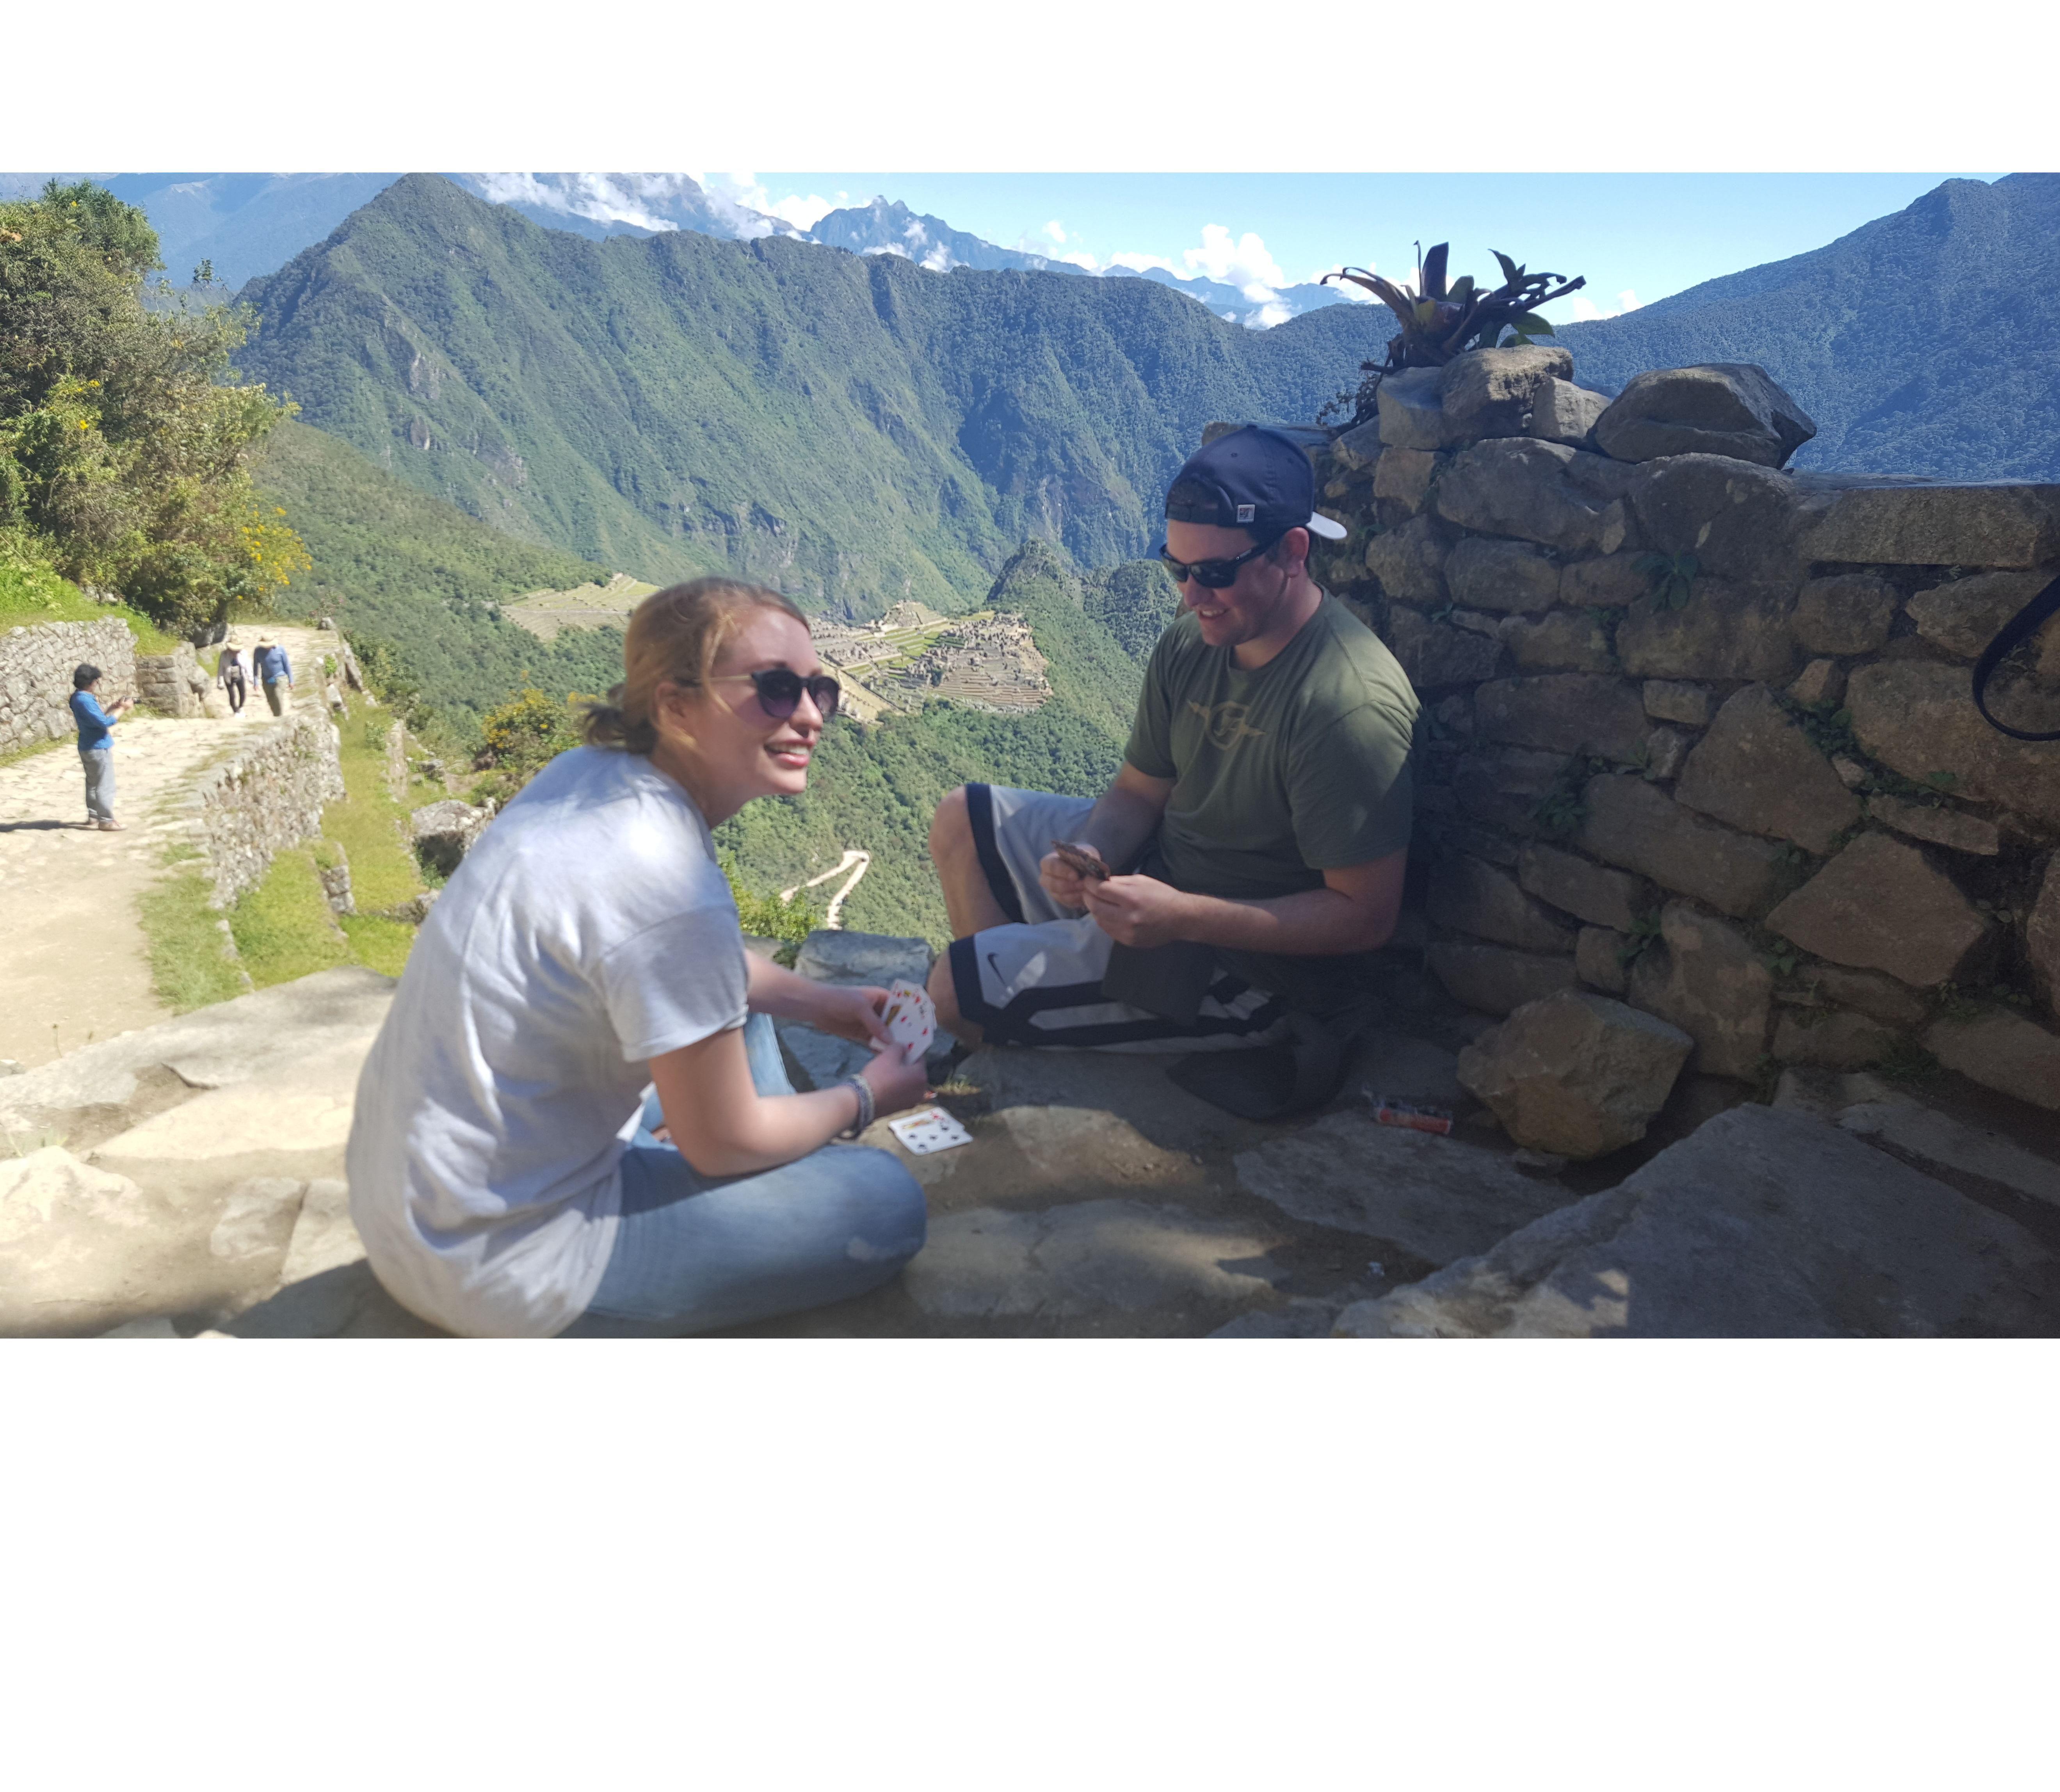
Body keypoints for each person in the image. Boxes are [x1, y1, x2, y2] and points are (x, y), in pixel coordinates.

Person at [346, 577, 930, 1339]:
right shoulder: (664, 879)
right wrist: (865, 1097)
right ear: (676, 704)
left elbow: (691, 965)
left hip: (409, 1205)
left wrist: (822, 1003)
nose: (812, 714)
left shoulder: (584, 779)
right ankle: (754, 1155)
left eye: (820, 688)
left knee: (743, 1024)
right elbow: (718, 1140)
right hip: (506, 1256)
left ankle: (751, 1141)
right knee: (888, 1199)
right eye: (777, 689)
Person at [925, 425, 1421, 1115]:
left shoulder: (1345, 706)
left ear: (1292, 552)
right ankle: (1023, 1002)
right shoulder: (1193, 642)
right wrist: (1095, 851)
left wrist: (1181, 918)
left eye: (1214, 572)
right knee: (960, 819)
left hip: (1251, 971)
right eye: (1176, 568)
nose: (1192, 594)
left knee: (949, 989)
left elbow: (1365, 917)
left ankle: (1009, 1006)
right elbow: (1136, 790)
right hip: (1164, 880)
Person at [69, 664, 133, 832]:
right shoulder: (85, 700)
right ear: (91, 682)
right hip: (98, 747)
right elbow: (104, 723)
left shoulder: (77, 698)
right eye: (96, 682)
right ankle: (106, 820)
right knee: (105, 785)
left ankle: (94, 817)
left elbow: (95, 720)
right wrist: (123, 710)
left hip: (86, 746)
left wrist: (113, 708)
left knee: (92, 783)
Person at [252, 634, 292, 715]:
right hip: (266, 679)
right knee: (271, 701)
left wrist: (291, 680)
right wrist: (256, 682)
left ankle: (281, 718)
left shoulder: (280, 649)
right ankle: (277, 717)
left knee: (278, 697)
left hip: (280, 678)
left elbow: (287, 665)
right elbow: (256, 667)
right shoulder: (258, 651)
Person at [216, 644, 247, 715]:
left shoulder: (243, 653)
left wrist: (251, 677)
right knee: (232, 696)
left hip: (240, 675)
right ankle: (235, 710)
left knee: (243, 694)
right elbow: (221, 669)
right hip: (228, 677)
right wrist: (220, 682)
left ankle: (241, 707)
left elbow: (248, 665)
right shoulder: (224, 655)